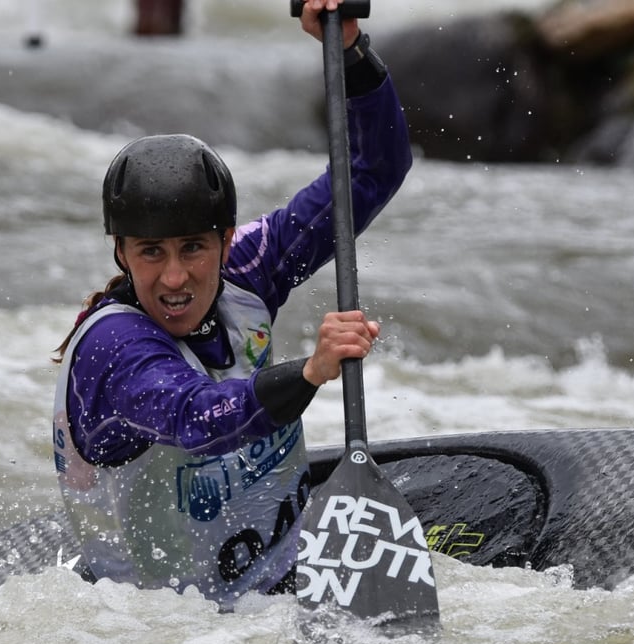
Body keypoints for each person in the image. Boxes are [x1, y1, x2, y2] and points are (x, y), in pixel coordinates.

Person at [50, 0, 411, 608]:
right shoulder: (114, 349)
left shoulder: (247, 268)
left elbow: (372, 170)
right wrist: (310, 372)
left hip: (283, 584)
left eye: (193, 247)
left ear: (224, 239)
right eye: (150, 252)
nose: (174, 277)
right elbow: (199, 418)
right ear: (121, 253)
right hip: (164, 629)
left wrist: (350, 51)